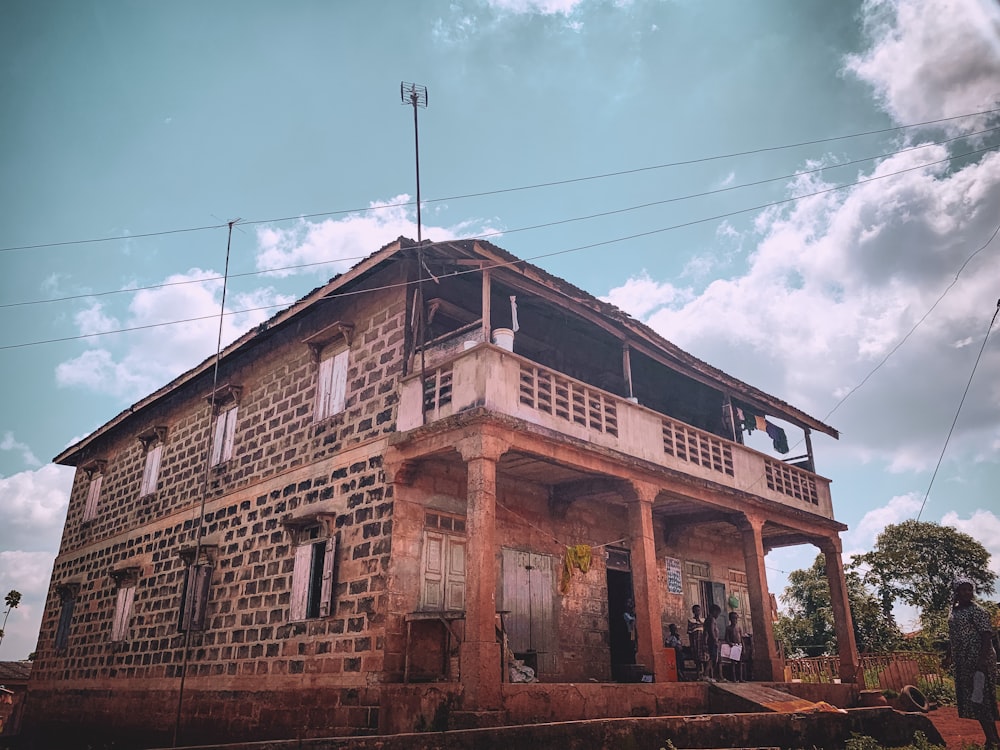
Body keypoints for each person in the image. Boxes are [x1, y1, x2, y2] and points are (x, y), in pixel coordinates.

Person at [944, 577, 999, 749]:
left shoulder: (978, 611)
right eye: (963, 589)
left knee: (982, 699)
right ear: (957, 592)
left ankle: (993, 740)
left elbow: (986, 636)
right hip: (964, 662)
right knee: (975, 700)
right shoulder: (954, 612)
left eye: (970, 589)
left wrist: (982, 661)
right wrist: (948, 656)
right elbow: (954, 638)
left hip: (979, 661)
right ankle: (992, 738)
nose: (967, 592)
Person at [724, 611, 745, 682]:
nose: (735, 620)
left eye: (736, 618)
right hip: (733, 646)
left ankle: (741, 678)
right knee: (733, 663)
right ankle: (734, 678)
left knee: (740, 663)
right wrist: (730, 643)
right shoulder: (728, 628)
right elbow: (726, 638)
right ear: (730, 619)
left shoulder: (739, 628)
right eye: (733, 618)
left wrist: (743, 647)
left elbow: (741, 638)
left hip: (739, 646)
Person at [687, 604, 706, 679]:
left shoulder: (703, 621)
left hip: (703, 642)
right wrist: (691, 645)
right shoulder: (691, 621)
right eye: (696, 610)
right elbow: (690, 634)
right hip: (696, 642)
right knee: (697, 659)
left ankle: (705, 674)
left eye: (699, 610)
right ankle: (698, 674)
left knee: (704, 658)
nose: (698, 612)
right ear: (693, 611)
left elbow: (706, 632)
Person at [705, 604, 722, 681]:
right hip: (712, 641)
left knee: (713, 658)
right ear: (714, 612)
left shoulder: (708, 619)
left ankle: (710, 675)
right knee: (713, 658)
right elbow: (711, 630)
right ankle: (706, 674)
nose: (718, 616)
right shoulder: (711, 619)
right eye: (718, 613)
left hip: (711, 640)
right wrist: (715, 640)